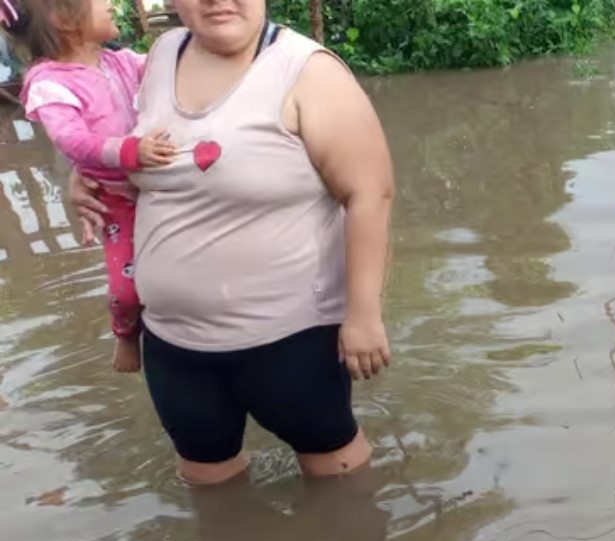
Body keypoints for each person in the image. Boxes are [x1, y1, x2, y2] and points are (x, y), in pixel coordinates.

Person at [69, 0, 394, 484]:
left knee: (341, 488)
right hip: (173, 345)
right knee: (210, 493)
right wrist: (82, 178)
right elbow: (119, 149)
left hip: (291, 340)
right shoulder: (159, 57)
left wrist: (364, 316)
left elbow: (370, 193)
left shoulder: (307, 72)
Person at [3, 0, 178, 372]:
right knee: (126, 290)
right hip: (115, 195)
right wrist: (128, 151)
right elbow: (71, 140)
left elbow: (164, 69)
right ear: (63, 18)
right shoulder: (50, 82)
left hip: (158, 184)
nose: (112, 4)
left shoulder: (117, 60)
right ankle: (125, 333)